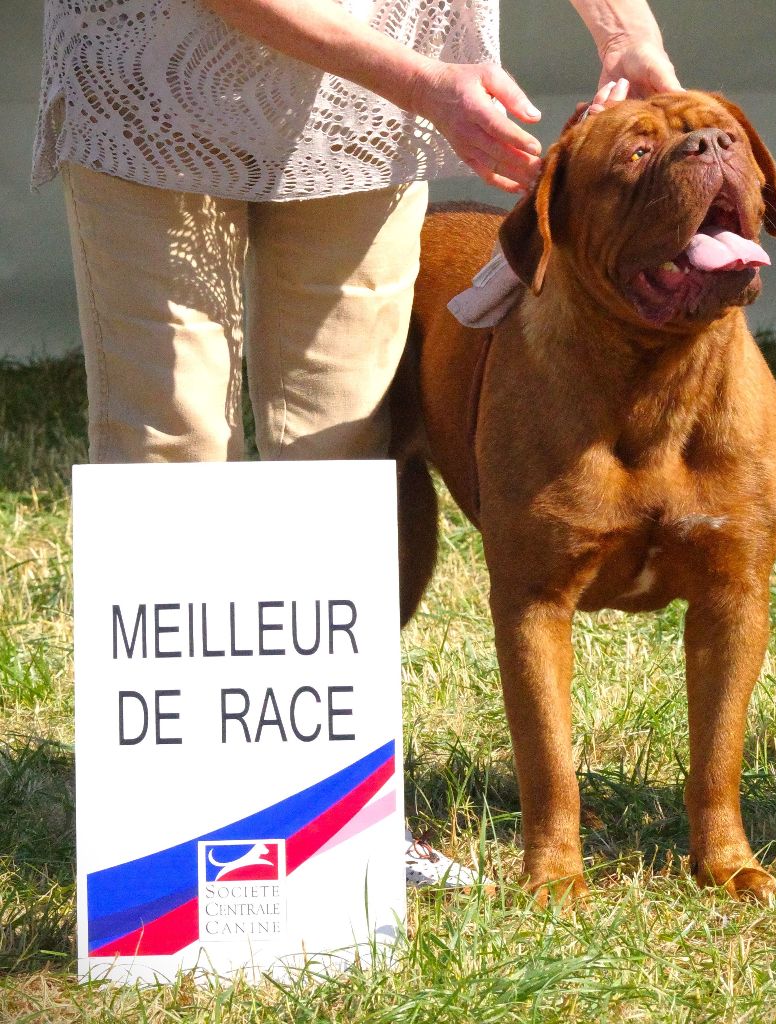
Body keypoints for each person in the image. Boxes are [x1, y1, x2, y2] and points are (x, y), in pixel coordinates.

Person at [33, 0, 678, 883]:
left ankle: (328, 838)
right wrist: (420, 81)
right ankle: (162, 851)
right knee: (168, 444)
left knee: (339, 454)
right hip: (156, 73)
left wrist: (622, 30)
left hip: (369, 112)